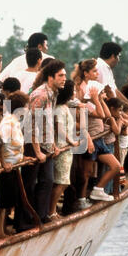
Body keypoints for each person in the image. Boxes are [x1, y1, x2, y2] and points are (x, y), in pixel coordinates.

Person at [18, 59, 66, 231]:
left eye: (64, 75)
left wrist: (52, 144)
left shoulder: (53, 93)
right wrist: (37, 151)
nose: (64, 78)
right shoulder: (41, 95)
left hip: (45, 144)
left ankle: (41, 216)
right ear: (50, 77)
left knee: (47, 180)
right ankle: (24, 222)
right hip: (32, 143)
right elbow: (31, 125)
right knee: (29, 183)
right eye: (60, 75)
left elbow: (47, 123)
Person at [72, 59, 120, 203]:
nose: (97, 73)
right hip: (91, 136)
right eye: (94, 71)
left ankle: (98, 190)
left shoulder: (94, 88)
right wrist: (95, 99)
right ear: (86, 73)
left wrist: (99, 98)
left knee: (115, 166)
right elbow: (98, 114)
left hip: (99, 138)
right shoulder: (81, 90)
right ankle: (81, 200)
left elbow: (106, 115)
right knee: (85, 173)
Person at [0, 91, 35, 237]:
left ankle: (2, 230)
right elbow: (0, 144)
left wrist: (23, 158)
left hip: (14, 167)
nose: (28, 109)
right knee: (3, 203)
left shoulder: (15, 122)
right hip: (7, 168)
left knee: (8, 202)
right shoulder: (8, 123)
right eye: (26, 106)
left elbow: (14, 145)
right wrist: (3, 163)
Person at [49, 80, 79, 221]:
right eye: (73, 90)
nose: (75, 92)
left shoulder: (64, 107)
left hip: (66, 149)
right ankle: (51, 211)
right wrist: (71, 141)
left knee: (63, 181)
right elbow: (59, 129)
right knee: (62, 182)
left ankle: (52, 210)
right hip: (62, 149)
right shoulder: (60, 109)